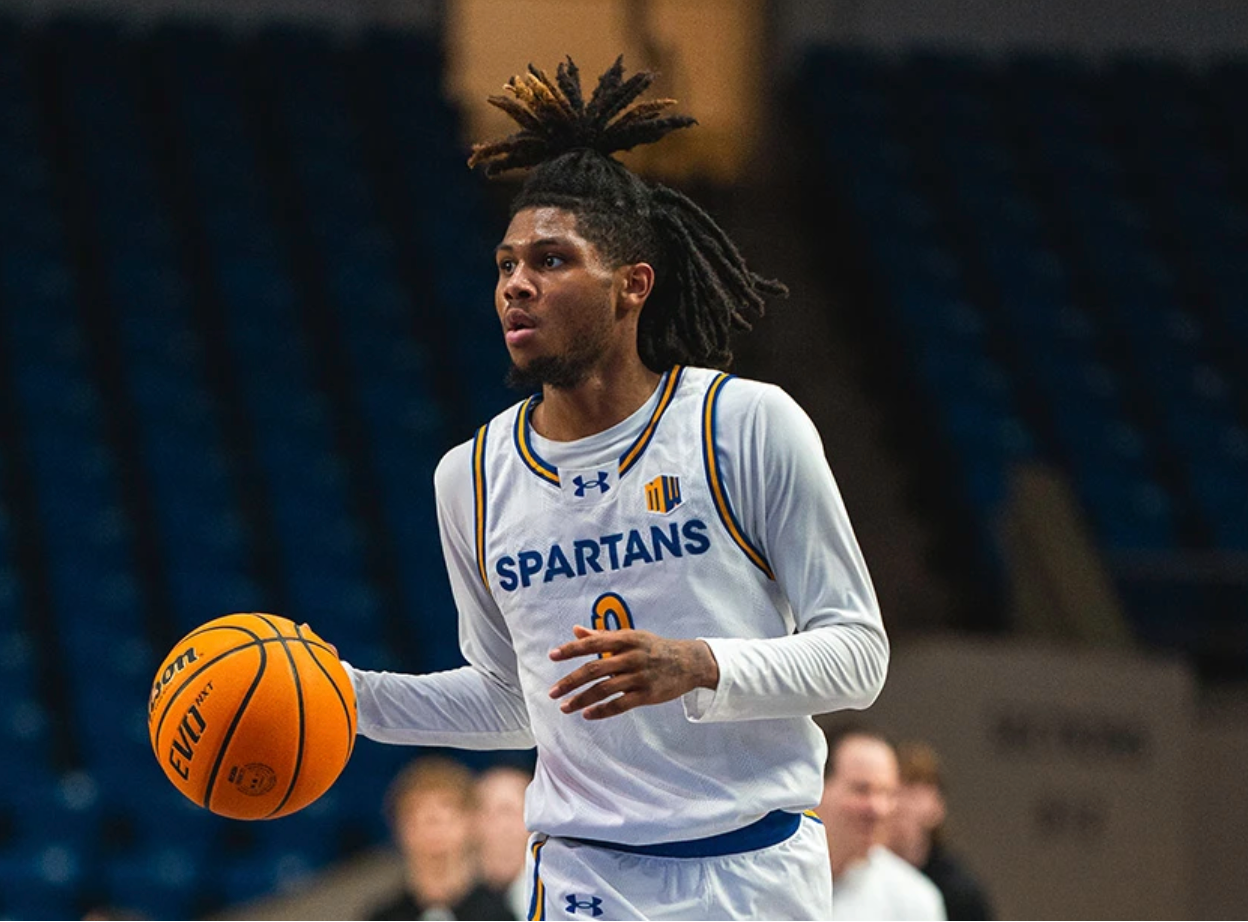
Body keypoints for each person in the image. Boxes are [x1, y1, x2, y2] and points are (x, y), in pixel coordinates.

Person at [338, 56, 888, 921]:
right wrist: (345, 697)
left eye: (551, 260)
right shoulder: (471, 480)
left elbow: (859, 655)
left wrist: (699, 664)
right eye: (506, 263)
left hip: (754, 874)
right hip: (586, 879)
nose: (516, 283)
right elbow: (511, 699)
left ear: (633, 285)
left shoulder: (743, 427)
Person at [817, 727, 946, 921]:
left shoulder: (913, 901)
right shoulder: (772, 873)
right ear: (817, 788)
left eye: (888, 793)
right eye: (862, 790)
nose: (878, 808)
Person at [367, 756, 514, 921]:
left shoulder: (502, 914)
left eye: (447, 810)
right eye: (417, 813)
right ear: (400, 826)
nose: (434, 828)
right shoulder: (382, 916)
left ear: (472, 821)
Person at [886, 742, 994, 921]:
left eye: (913, 794)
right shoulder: (854, 873)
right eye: (892, 792)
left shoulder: (960, 893)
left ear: (938, 807)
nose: (901, 805)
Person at [475, 764, 534, 919]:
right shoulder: (456, 899)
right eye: (486, 812)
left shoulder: (554, 897)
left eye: (507, 812)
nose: (503, 828)